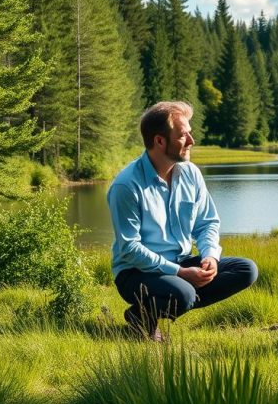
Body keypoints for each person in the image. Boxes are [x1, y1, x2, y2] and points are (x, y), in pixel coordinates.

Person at [108, 101, 258, 340]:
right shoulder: (127, 185)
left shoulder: (190, 173)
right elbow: (130, 249)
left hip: (180, 261)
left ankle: (142, 315)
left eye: (189, 133)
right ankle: (142, 317)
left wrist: (210, 256)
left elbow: (207, 222)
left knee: (246, 269)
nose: (191, 140)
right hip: (135, 272)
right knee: (184, 294)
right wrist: (180, 272)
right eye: (183, 135)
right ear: (159, 141)